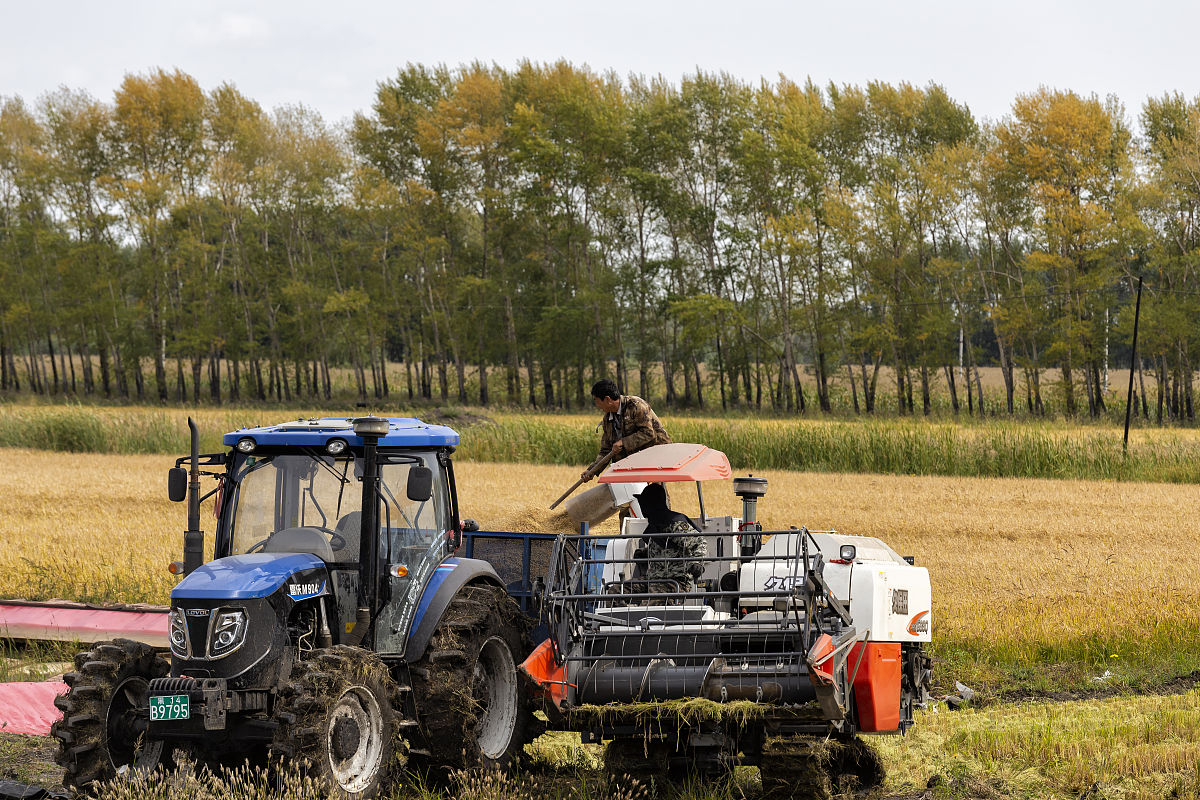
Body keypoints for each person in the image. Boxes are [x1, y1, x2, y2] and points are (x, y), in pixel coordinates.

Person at [581, 379, 671, 480]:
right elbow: (606, 450)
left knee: (655, 492)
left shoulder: (636, 406)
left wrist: (623, 442)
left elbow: (648, 433)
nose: (597, 406)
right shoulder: (608, 419)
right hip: (632, 459)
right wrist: (592, 470)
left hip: (654, 455)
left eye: (597, 402)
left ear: (607, 399)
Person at [632, 483, 707, 592]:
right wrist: (644, 553)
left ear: (653, 503)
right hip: (652, 579)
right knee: (616, 591)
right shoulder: (654, 524)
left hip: (675, 581)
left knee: (651, 597)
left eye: (644, 502)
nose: (642, 506)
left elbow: (699, 543)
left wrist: (697, 563)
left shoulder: (675, 524)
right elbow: (663, 550)